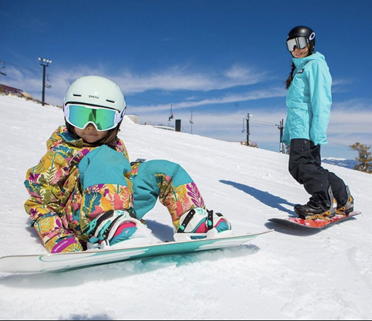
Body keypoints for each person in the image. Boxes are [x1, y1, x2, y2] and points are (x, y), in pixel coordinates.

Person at [24, 75, 232, 253]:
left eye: (102, 119)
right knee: (105, 156)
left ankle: (193, 221)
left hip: (118, 209)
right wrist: (59, 239)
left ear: (117, 120)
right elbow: (39, 203)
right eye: (81, 116)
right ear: (67, 116)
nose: (90, 126)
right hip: (79, 221)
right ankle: (107, 225)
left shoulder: (115, 148)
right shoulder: (60, 153)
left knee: (161, 169)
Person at [282, 26, 354, 220]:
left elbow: (321, 101)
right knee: (312, 167)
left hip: (306, 130)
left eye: (301, 43)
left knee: (300, 166)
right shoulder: (301, 69)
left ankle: (322, 203)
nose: (297, 48)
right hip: (300, 129)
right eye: (292, 44)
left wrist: (318, 132)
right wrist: (288, 134)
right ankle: (343, 197)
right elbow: (296, 107)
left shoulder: (315, 65)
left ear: (311, 43)